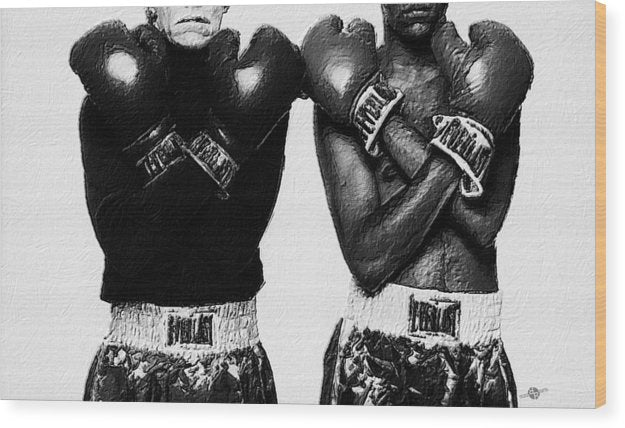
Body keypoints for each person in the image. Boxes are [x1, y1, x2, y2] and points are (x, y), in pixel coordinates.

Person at [302, 3, 533, 406]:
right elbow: (367, 259)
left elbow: (483, 225)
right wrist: (463, 144)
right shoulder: (344, 76)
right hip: (377, 347)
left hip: (475, 345)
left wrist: (380, 119)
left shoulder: (489, 71)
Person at [70, 5, 303, 402]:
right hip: (135, 361)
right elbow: (129, 250)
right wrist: (226, 143)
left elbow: (229, 248)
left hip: (232, 360)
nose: (194, 6)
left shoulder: (263, 87)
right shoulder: (107, 95)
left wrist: (162, 153)